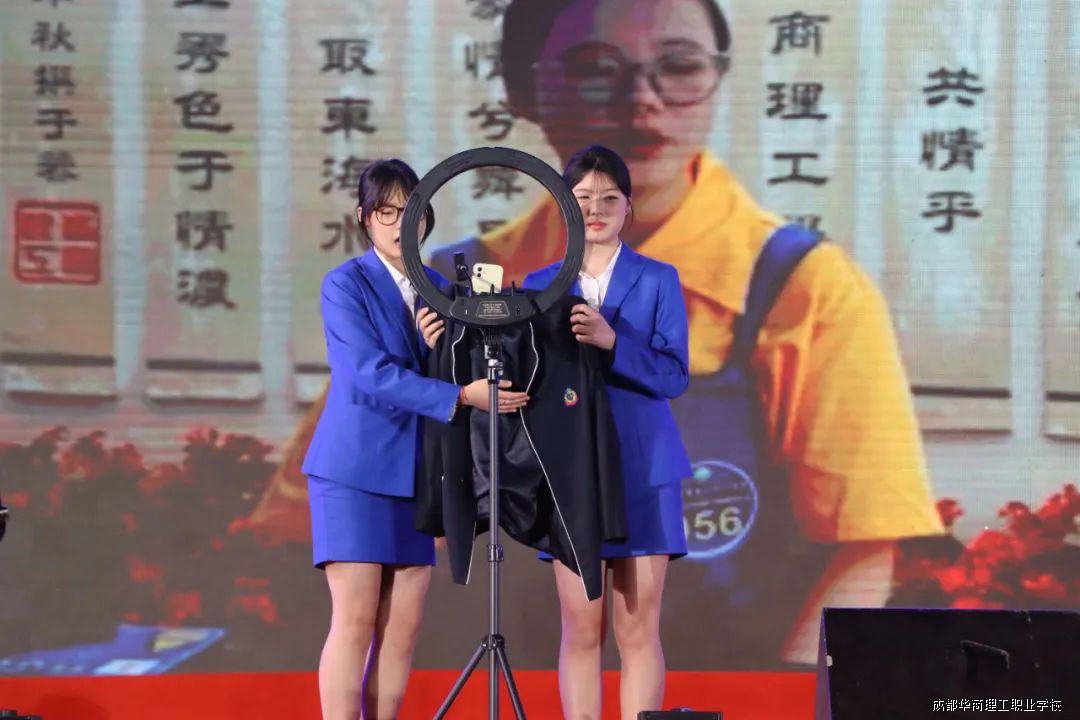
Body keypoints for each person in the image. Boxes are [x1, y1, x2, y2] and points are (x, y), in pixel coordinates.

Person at [425, 0, 944, 669]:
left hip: (737, 690)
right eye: (595, 69)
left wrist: (783, 703)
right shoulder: (457, 284)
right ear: (522, 88)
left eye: (679, 66)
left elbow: (862, 553)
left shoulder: (803, 288)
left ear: (717, 78)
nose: (643, 100)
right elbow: (352, 516)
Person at [302, 159, 529, 719]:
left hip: (419, 474)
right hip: (354, 471)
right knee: (356, 619)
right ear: (363, 217)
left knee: (401, 629)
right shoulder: (346, 284)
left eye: (412, 212)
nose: (399, 224)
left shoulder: (444, 290)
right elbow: (366, 372)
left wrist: (446, 355)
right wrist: (456, 393)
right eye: (386, 212)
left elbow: (461, 367)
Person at [537, 145, 694, 719]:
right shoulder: (540, 286)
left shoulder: (658, 279)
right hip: (571, 473)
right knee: (581, 627)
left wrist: (612, 342)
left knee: (637, 627)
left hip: (643, 468)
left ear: (629, 207)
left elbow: (674, 375)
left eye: (609, 198)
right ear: (564, 204)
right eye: (582, 198)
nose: (596, 210)